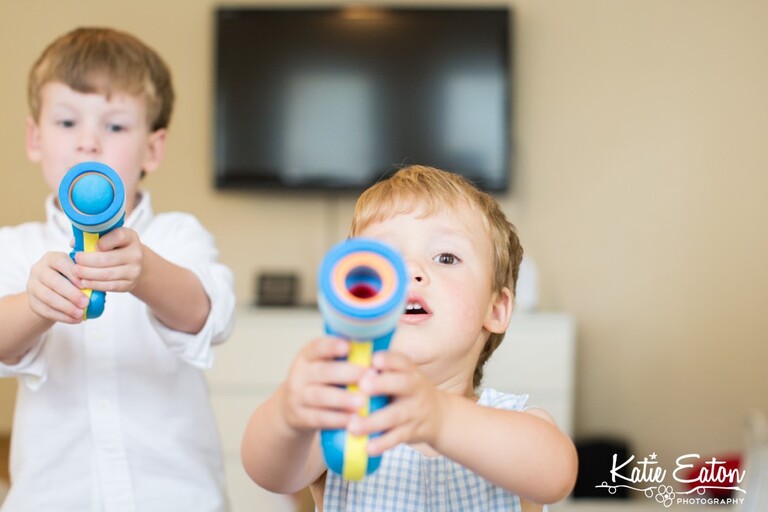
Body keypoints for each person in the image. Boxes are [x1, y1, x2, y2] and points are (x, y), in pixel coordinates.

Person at [241, 165, 578, 511]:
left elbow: (556, 475)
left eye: (446, 257)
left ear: (496, 308)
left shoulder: (512, 421)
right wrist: (290, 411)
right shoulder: (344, 416)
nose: (410, 270)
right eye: (383, 260)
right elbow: (269, 473)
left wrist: (440, 417)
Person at [0, 28, 235, 511]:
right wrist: (35, 305)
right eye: (67, 122)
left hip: (177, 498)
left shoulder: (176, 236)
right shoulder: (15, 246)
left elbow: (207, 317)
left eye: (115, 127)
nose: (88, 143)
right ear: (34, 139)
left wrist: (146, 271)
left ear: (153, 147)